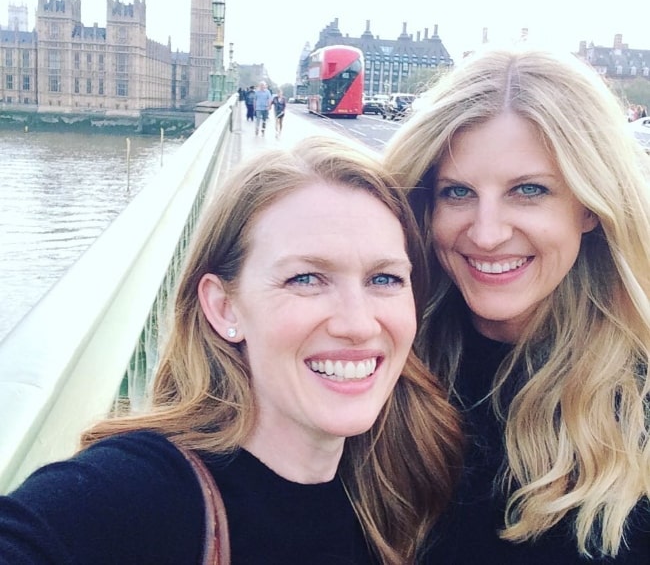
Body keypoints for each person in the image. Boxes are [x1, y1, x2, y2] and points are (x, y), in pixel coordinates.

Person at [0, 135, 463, 564]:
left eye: (384, 279)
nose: (359, 324)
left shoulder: (404, 477)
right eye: (306, 279)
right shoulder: (144, 494)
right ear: (224, 308)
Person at [384, 47, 650, 564]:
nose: (486, 234)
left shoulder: (639, 406)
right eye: (457, 192)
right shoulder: (386, 362)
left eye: (529, 191)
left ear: (591, 207)